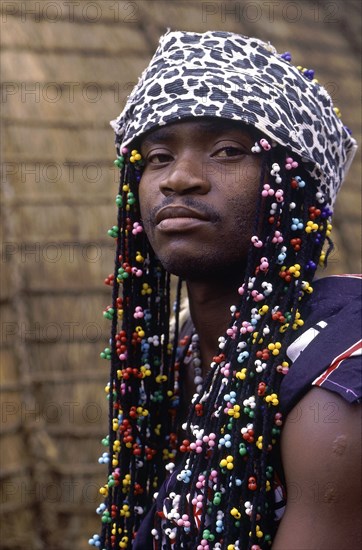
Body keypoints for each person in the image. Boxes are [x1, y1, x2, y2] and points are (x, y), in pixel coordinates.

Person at [90, 31, 361, 550]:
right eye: (157, 157)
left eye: (228, 150)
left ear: (294, 188)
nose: (180, 179)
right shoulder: (182, 351)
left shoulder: (337, 390)